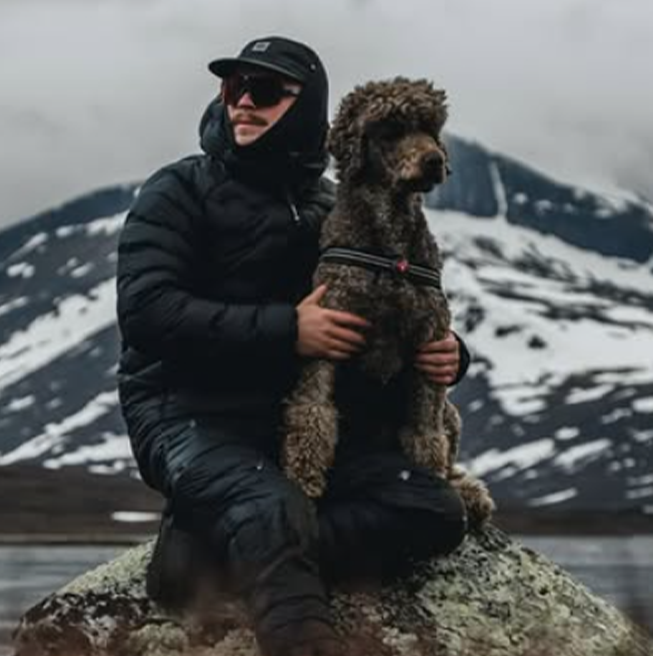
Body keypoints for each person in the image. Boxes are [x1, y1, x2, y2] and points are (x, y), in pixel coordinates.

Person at [116, 36, 471, 656]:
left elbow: (391, 308)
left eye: (267, 92)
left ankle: (201, 564)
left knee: (432, 507)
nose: (244, 104)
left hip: (281, 421)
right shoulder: (177, 190)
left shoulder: (338, 209)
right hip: (187, 415)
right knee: (266, 501)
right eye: (234, 89)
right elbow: (147, 314)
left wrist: (446, 353)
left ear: (309, 110)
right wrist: (289, 329)